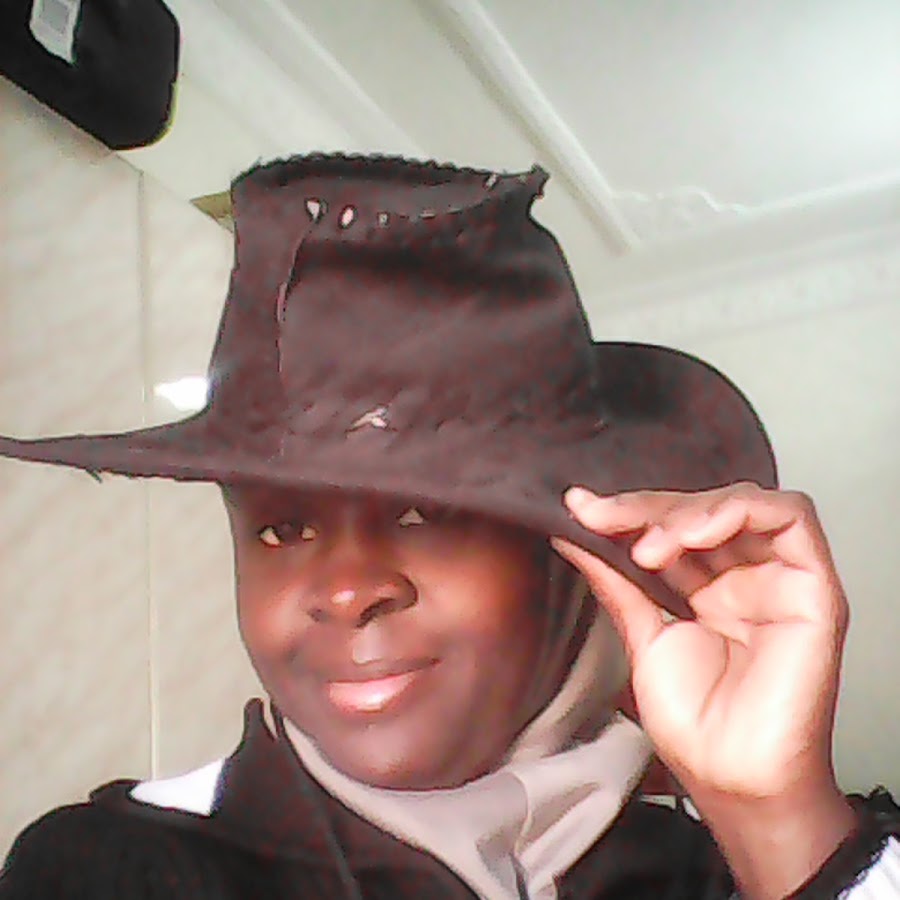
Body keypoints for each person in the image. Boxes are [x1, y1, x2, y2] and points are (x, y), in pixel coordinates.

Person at [0, 154, 897, 899]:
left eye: (423, 513)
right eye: (279, 531)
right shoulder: (119, 869)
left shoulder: (720, 873)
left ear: (571, 559)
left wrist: (779, 817)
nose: (344, 592)